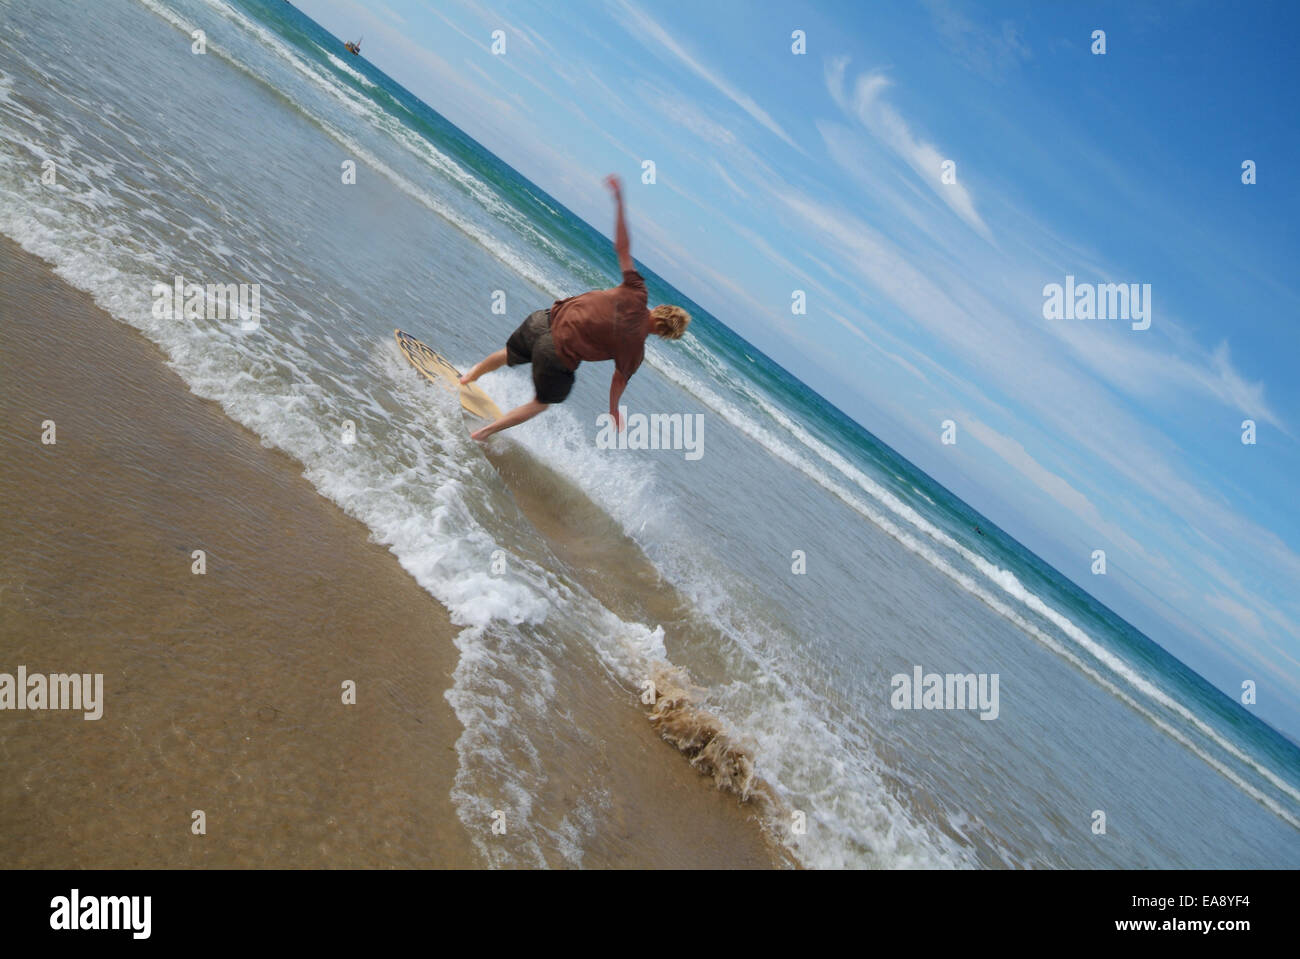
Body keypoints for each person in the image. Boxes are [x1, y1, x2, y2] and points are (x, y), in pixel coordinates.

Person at [459, 174, 690, 441]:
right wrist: (614, 410)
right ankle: (484, 432)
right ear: (665, 335)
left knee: (510, 353)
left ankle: (469, 377)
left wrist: (619, 202)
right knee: (541, 403)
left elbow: (623, 247)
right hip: (556, 356)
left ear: (661, 307)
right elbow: (617, 383)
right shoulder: (634, 352)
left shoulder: (638, 291)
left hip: (543, 321)